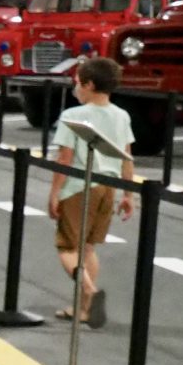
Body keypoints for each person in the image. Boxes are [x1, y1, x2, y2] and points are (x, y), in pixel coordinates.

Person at [47, 55, 137, 327]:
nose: (75, 88)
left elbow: (65, 157)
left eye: (77, 83)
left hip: (78, 186)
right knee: (88, 248)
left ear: (88, 84)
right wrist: (129, 194)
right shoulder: (122, 115)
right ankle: (83, 309)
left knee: (66, 247)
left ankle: (90, 292)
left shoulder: (73, 116)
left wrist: (54, 193)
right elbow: (127, 156)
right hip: (108, 188)